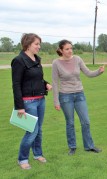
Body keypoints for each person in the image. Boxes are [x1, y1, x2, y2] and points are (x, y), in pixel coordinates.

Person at [52, 39, 105, 155]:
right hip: (65, 96)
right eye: (67, 49)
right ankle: (72, 147)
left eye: (71, 48)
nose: (70, 51)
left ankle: (89, 146)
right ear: (61, 50)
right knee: (70, 123)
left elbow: (88, 73)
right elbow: (55, 83)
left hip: (79, 94)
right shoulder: (56, 63)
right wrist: (56, 101)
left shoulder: (77, 59)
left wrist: (99, 71)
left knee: (86, 121)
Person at [11, 33, 52, 170]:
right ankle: (22, 159)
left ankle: (37, 154)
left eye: (39, 44)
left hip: (41, 99)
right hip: (28, 102)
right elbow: (16, 84)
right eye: (36, 44)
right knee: (31, 132)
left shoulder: (36, 59)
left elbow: (36, 78)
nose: (39, 47)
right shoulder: (19, 60)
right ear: (28, 45)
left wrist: (45, 84)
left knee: (38, 130)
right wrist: (19, 107)